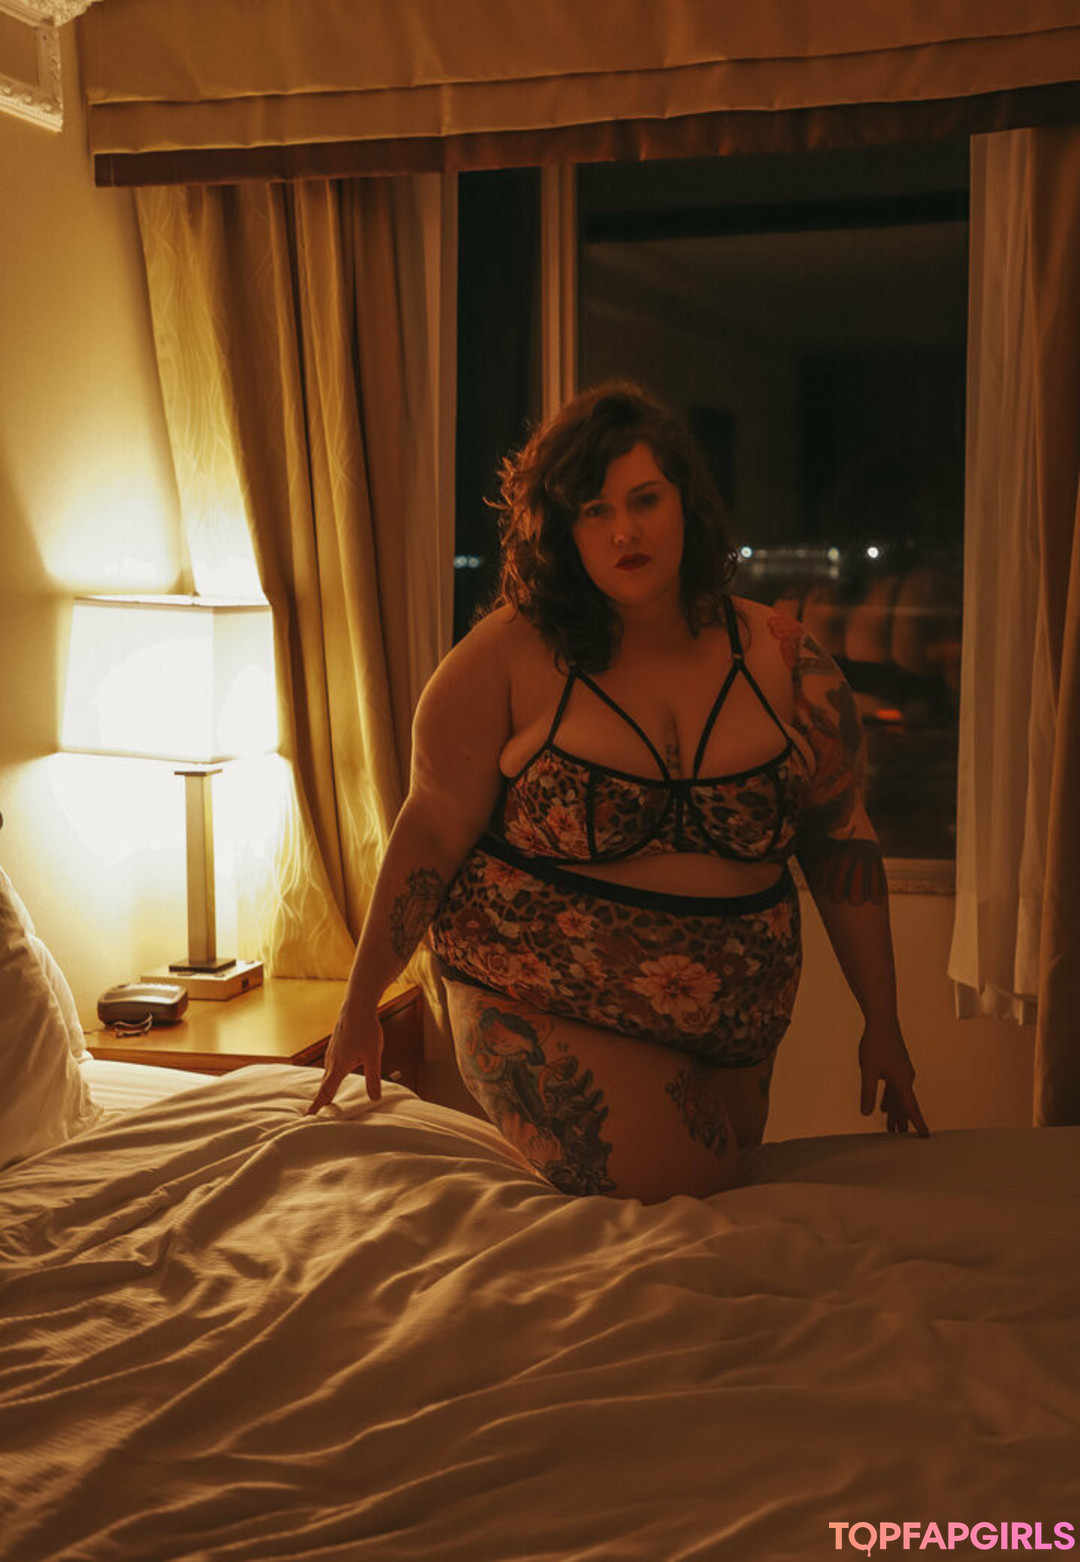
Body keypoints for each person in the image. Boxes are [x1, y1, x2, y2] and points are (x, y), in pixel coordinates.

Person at [308, 381, 929, 1202]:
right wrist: (360, 1004)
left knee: (722, 1181)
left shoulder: (786, 659)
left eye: (645, 500)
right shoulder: (505, 658)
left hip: (737, 1024)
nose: (624, 531)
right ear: (563, 531)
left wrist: (882, 1023)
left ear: (686, 504)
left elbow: (841, 838)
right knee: (689, 1184)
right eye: (593, 511)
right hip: (537, 998)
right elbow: (428, 833)